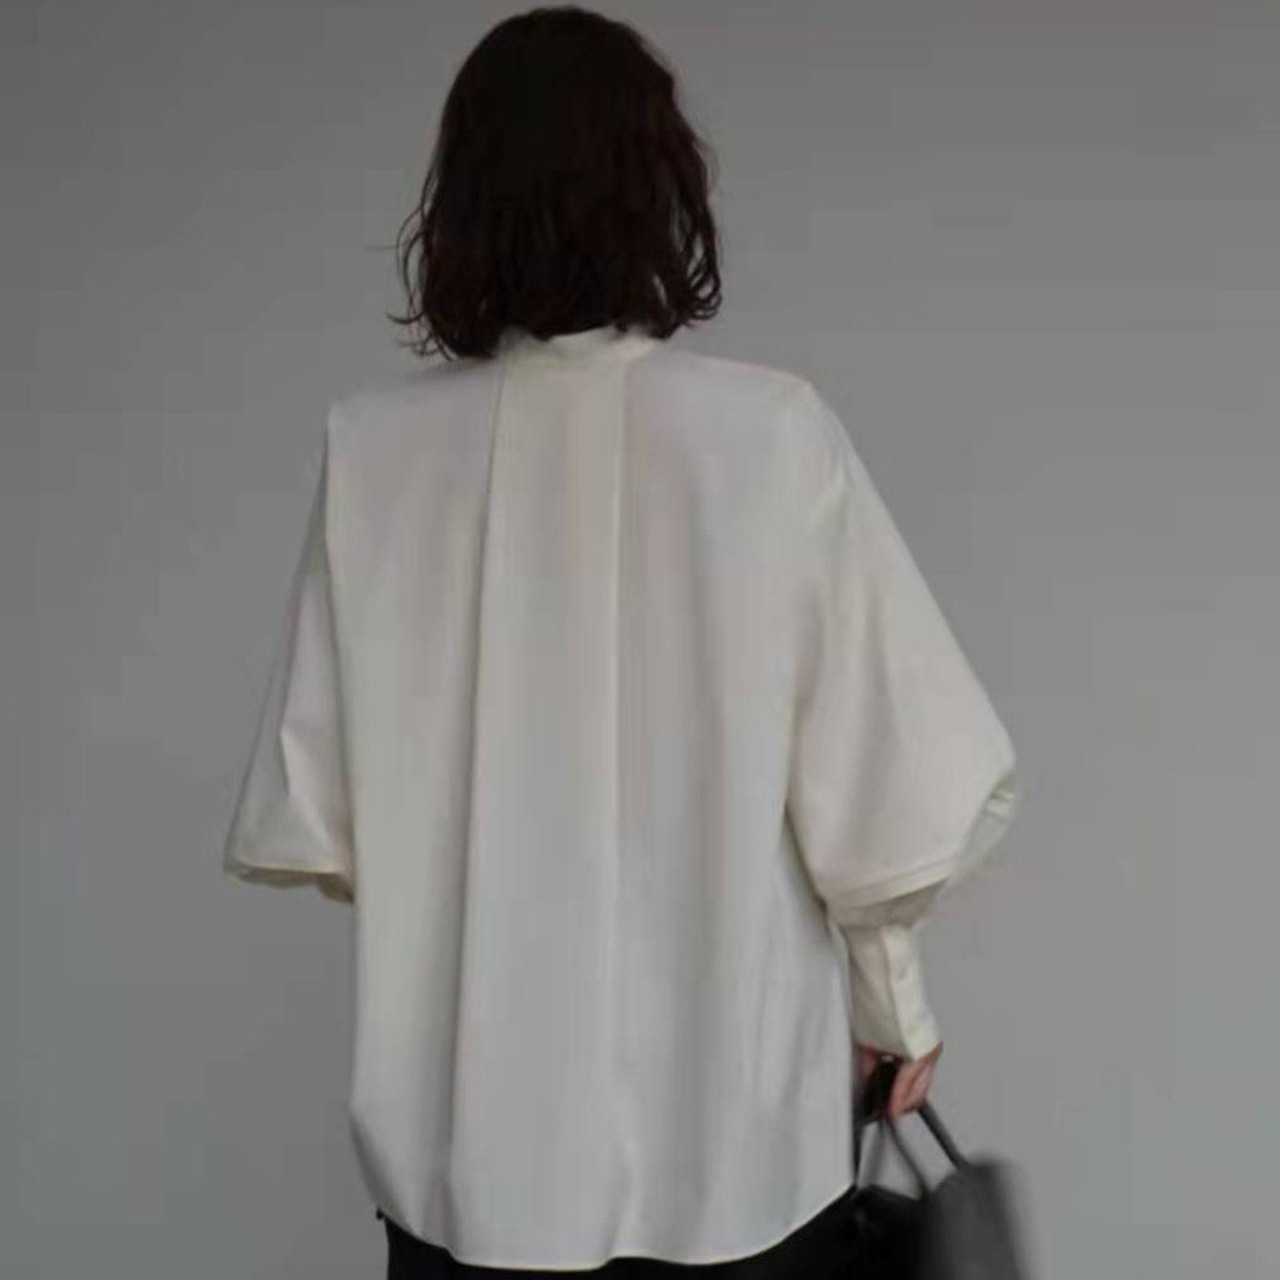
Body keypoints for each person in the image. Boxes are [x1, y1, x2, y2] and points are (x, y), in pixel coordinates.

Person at [221, 6, 1020, 1278]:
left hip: (467, 1171)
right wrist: (891, 1006)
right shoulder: (767, 438)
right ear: (662, 189)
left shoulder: (375, 455)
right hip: (738, 1157)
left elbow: (332, 814)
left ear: (463, 202)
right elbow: (872, 795)